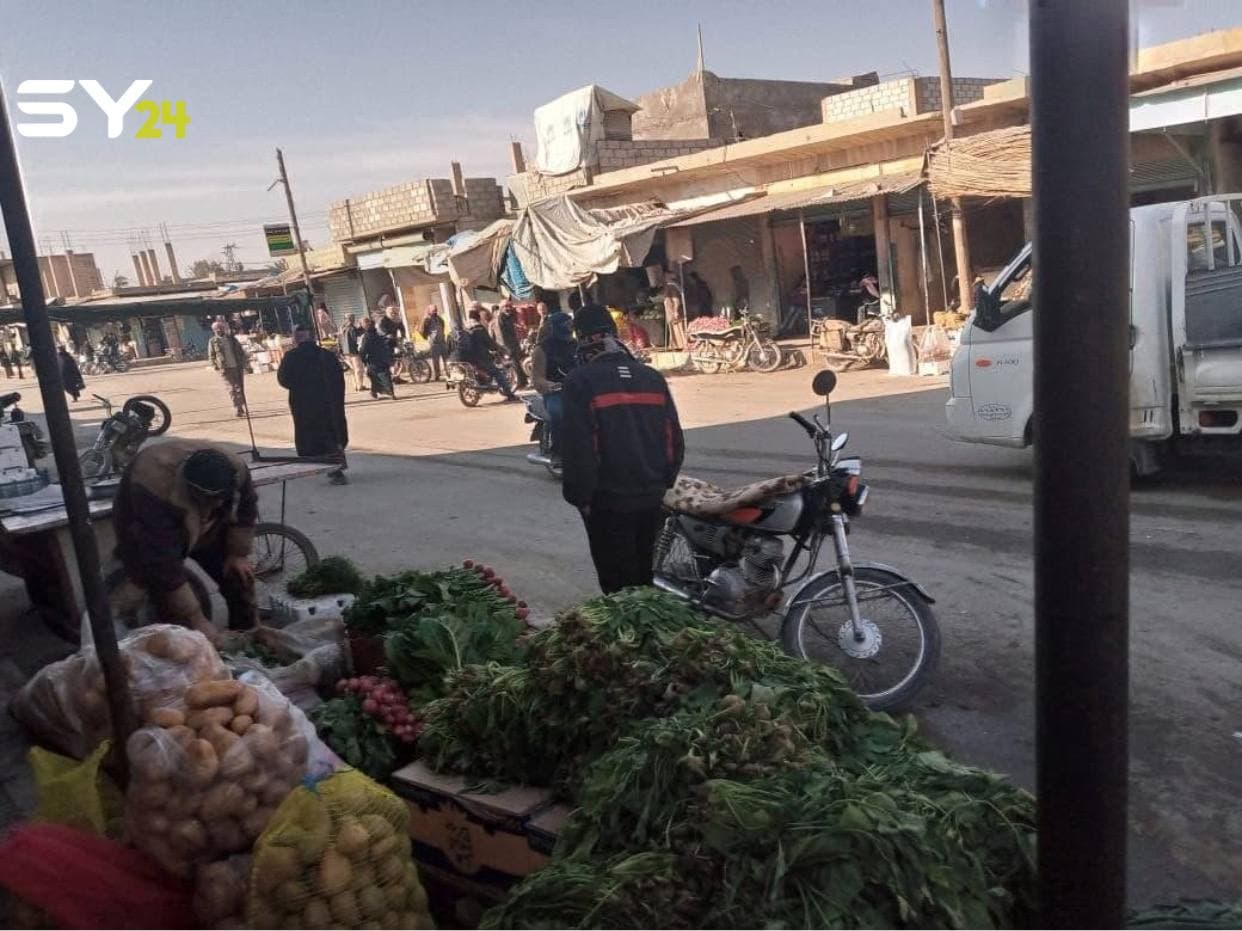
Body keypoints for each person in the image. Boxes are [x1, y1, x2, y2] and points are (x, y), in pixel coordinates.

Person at [560, 304, 684, 594]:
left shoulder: (580, 382)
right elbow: (673, 440)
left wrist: (581, 498)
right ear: (613, 334)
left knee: (617, 583)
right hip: (651, 496)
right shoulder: (652, 378)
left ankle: (632, 635)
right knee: (643, 573)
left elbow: (579, 450)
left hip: (608, 502)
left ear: (581, 338)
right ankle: (649, 631)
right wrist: (663, 482)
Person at [113, 441, 259, 644]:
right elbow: (165, 565)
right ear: (191, 488)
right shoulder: (154, 488)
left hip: (208, 527)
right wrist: (196, 618)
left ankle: (248, 641)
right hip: (152, 529)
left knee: (238, 577)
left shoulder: (236, 470)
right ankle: (186, 652)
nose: (217, 504)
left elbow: (246, 508)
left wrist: (238, 553)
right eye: (209, 499)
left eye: (221, 498)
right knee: (167, 597)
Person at [277, 326, 349, 485]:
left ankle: (321, 466)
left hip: (304, 405)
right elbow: (339, 379)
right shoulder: (326, 355)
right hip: (329, 404)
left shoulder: (291, 357)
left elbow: (283, 379)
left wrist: (300, 387)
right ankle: (336, 469)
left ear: (297, 339)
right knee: (331, 435)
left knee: (311, 436)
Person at [529, 311, 576, 459]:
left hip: (579, 389)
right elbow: (537, 379)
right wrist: (552, 385)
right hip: (556, 392)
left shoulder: (577, 345)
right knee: (558, 411)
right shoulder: (541, 349)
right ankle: (558, 452)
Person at [461, 307, 517, 401]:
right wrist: (498, 348)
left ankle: (485, 383)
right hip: (480, 357)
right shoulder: (478, 328)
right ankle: (510, 395)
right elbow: (489, 342)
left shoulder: (464, 328)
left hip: (466, 357)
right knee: (497, 373)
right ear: (478, 317)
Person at [207, 321, 248, 417]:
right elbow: (211, 355)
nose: (219, 330)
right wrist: (216, 366)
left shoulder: (232, 339)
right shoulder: (213, 341)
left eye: (221, 328)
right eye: (217, 328)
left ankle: (241, 405)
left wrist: (244, 363)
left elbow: (241, 351)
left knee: (240, 387)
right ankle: (238, 408)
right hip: (225, 369)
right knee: (232, 388)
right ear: (213, 330)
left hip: (237, 367)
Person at [359, 316, 396, 399]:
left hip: (373, 359)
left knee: (377, 375)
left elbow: (364, 349)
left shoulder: (367, 335)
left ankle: (387, 392)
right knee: (382, 375)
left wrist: (363, 358)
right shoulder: (377, 332)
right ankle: (378, 391)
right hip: (382, 357)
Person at [496, 300, 529, 388]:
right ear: (501, 308)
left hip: (514, 345)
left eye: (509, 306)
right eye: (506, 306)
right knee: (514, 365)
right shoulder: (500, 318)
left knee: (519, 364)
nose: (508, 308)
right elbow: (501, 335)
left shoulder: (509, 317)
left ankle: (523, 382)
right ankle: (519, 384)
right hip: (508, 347)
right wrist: (506, 349)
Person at [338, 313, 366, 391]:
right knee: (358, 369)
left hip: (345, 352)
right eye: (352, 318)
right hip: (353, 351)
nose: (353, 319)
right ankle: (360, 385)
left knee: (352, 370)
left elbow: (339, 340)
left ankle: (355, 385)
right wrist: (362, 327)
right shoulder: (351, 328)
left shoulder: (342, 328)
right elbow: (356, 338)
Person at [420, 304, 448, 380]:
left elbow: (442, 325)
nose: (435, 311)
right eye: (433, 310)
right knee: (436, 360)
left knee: (446, 358)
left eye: (436, 310)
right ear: (429, 311)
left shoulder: (439, 318)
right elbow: (422, 330)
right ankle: (437, 375)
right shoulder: (427, 319)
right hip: (434, 342)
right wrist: (428, 337)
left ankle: (448, 372)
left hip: (442, 340)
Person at [663, 281, 687, 350]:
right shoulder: (667, 288)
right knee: (673, 330)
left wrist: (676, 311)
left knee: (678, 329)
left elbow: (676, 300)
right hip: (670, 314)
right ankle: (675, 345)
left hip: (674, 313)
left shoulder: (671, 287)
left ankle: (681, 344)